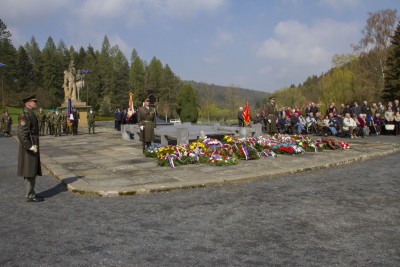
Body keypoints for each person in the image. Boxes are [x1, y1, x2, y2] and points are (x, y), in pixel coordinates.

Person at [17, 95, 44, 202]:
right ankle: (30, 195)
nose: (36, 103)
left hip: (33, 144)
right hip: (29, 147)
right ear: (28, 103)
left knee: (32, 169)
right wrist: (29, 146)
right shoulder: (25, 115)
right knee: (29, 170)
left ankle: (31, 192)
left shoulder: (29, 113)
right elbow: (21, 133)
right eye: (34, 102)